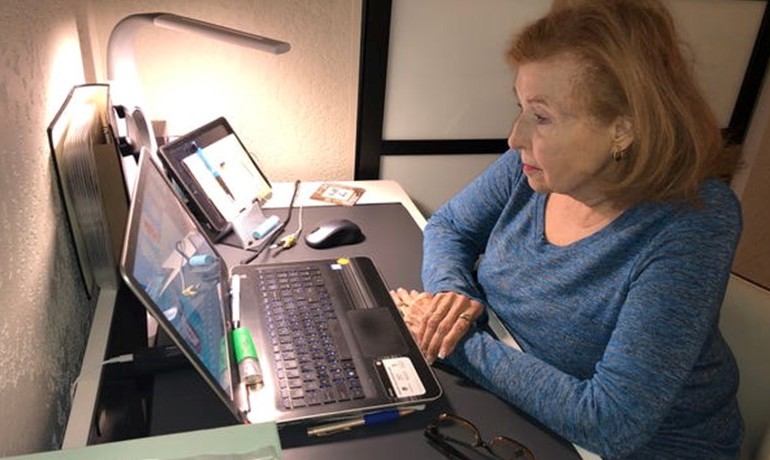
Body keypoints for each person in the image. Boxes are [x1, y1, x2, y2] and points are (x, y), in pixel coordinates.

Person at [390, 0, 744, 458]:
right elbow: (450, 225)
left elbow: (611, 422)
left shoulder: (695, 221)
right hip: (522, 405)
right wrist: (452, 301)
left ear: (624, 129)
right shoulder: (530, 168)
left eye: (541, 117)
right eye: (520, 108)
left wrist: (455, 342)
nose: (514, 137)